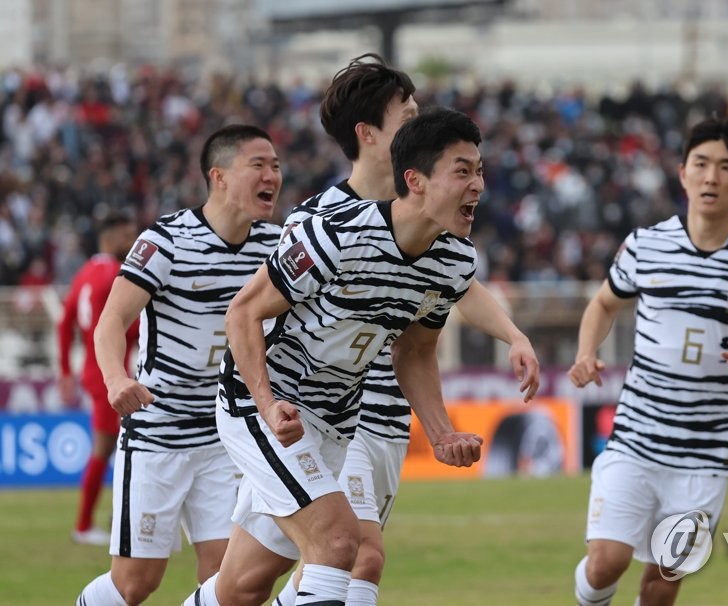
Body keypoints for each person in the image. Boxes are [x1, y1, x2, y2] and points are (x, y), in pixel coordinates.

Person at [185, 55, 540, 606]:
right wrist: (266, 399)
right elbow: (243, 312)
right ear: (408, 170)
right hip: (267, 408)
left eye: (479, 170)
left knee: (243, 588)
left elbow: (416, 351)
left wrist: (442, 430)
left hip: (337, 420)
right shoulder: (329, 230)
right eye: (463, 171)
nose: (479, 186)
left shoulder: (453, 259)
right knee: (341, 547)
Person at [568, 115, 728, 606]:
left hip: (705, 457)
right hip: (636, 439)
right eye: (701, 164)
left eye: (726, 167)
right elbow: (603, 304)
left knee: (663, 584)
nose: (711, 177)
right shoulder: (645, 245)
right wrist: (586, 352)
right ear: (682, 173)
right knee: (605, 563)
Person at [75, 124, 283, 606]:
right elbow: (111, 320)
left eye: (275, 165)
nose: (272, 174)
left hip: (225, 435)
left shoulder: (276, 246)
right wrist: (116, 378)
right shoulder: (166, 241)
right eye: (258, 164)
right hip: (158, 432)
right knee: (135, 583)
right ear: (220, 176)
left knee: (229, 581)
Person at [57, 212, 139, 546]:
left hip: (94, 369)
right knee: (111, 448)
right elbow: (123, 326)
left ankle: (115, 518)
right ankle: (86, 524)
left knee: (119, 447)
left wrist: (65, 370)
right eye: (128, 234)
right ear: (113, 236)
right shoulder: (115, 275)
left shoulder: (85, 273)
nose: (134, 241)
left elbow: (64, 324)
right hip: (110, 371)